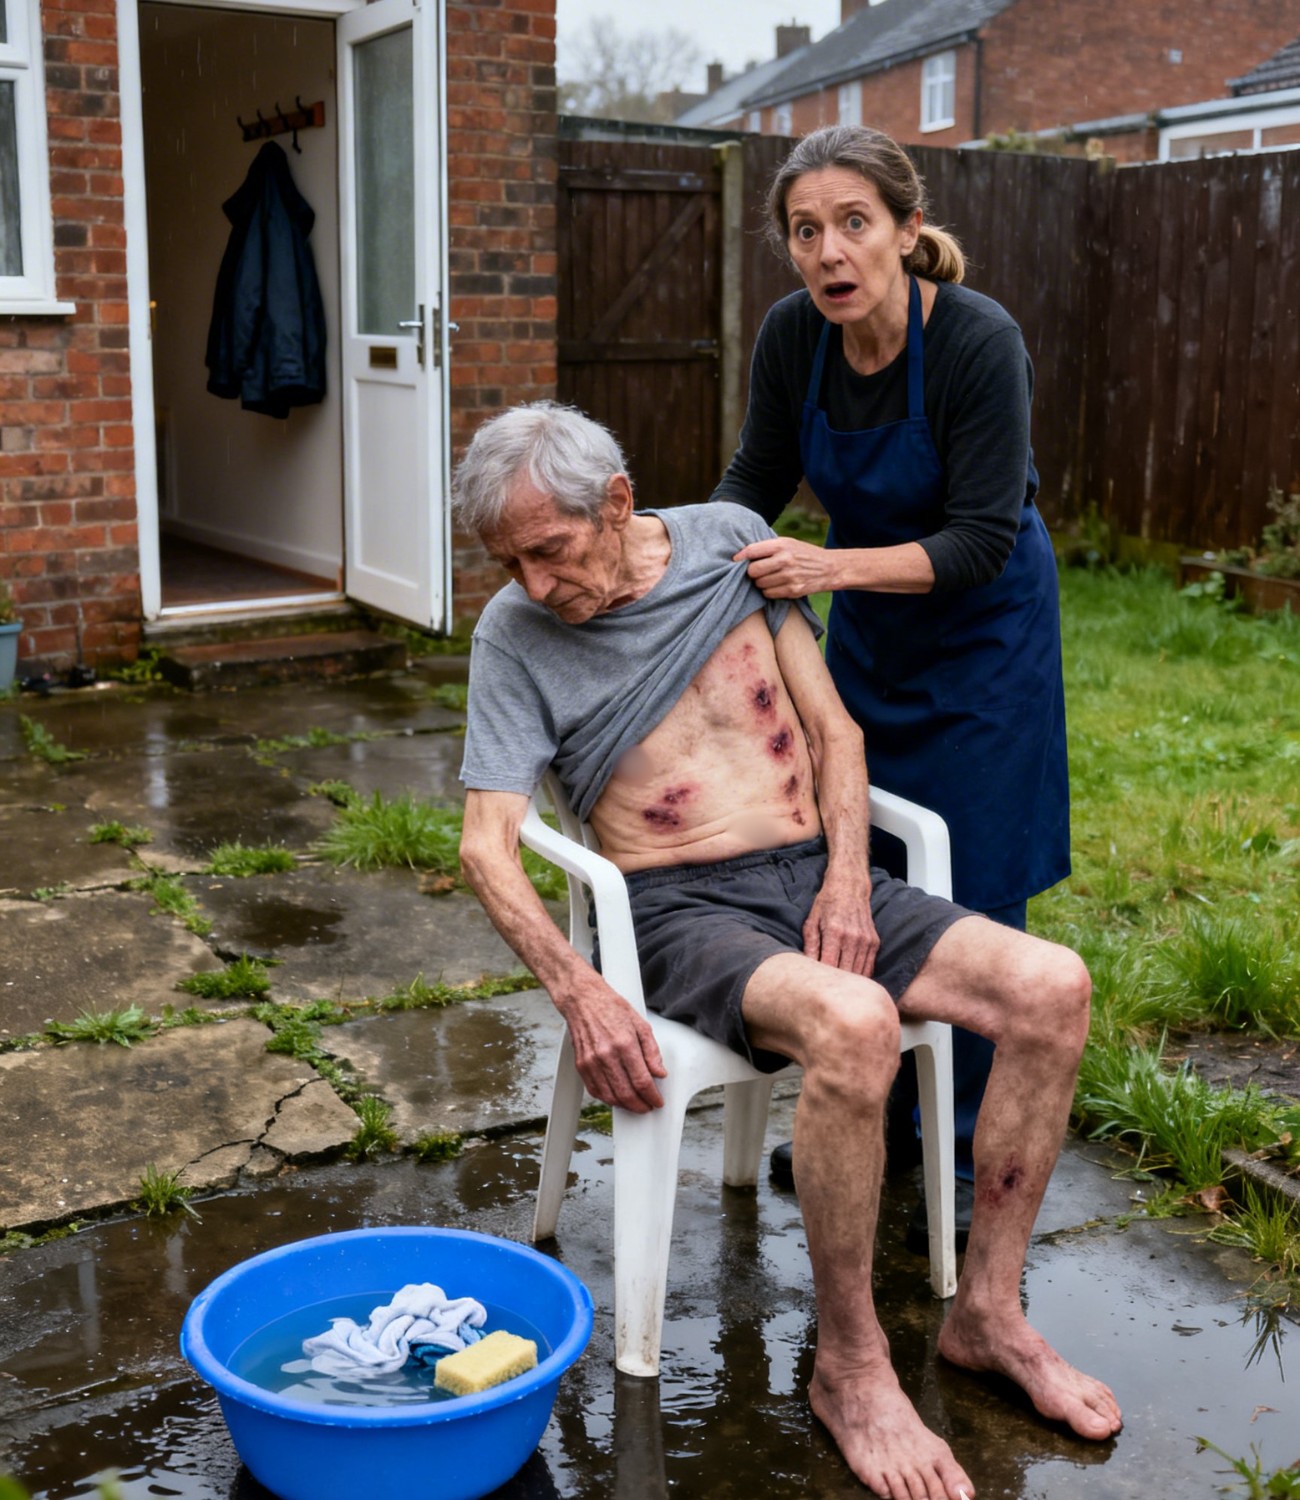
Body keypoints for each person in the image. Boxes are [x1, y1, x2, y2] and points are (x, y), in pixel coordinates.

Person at [454, 401, 1120, 1500]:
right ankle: (851, 1364)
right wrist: (581, 994)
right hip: (676, 912)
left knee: (1053, 984)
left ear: (616, 504)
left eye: (549, 551)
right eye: (505, 560)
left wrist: (853, 880)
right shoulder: (513, 637)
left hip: (815, 873)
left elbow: (834, 733)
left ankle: (988, 1315)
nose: (530, 583)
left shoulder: (723, 542)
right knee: (854, 1024)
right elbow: (487, 847)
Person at [710, 125, 1070, 1242]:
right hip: (872, 630)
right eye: (806, 231)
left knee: (975, 875)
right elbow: (751, 484)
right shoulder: (792, 338)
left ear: (907, 232)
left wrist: (825, 566)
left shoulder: (974, 340)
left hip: (982, 638)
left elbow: (977, 538)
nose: (830, 251)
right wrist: (664, 569)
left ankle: (962, 1158)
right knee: (860, 863)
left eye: (854, 223)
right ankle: (879, 1120)